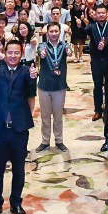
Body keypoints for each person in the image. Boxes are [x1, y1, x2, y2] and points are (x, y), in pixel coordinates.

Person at [0, 40, 39, 214]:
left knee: (18, 168)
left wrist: (33, 77)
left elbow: (30, 92)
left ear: (21, 54)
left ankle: (16, 202)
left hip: (18, 128)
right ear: (5, 53)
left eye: (16, 53)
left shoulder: (26, 71)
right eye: (10, 53)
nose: (13, 56)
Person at [35, 22, 68, 152]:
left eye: (56, 31)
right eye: (51, 31)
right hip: (44, 86)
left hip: (59, 86)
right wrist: (41, 54)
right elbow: (40, 52)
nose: (54, 34)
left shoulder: (64, 45)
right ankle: (45, 141)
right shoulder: (42, 46)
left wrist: (69, 51)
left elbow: (69, 51)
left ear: (60, 32)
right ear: (47, 33)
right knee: (45, 117)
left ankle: (59, 140)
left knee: (58, 116)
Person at [86, 3, 108, 124]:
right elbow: (82, 33)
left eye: (103, 13)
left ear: (106, 14)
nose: (101, 15)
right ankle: (98, 110)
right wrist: (80, 25)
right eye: (99, 13)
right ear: (95, 15)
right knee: (97, 85)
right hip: (96, 60)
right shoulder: (91, 26)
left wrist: (106, 42)